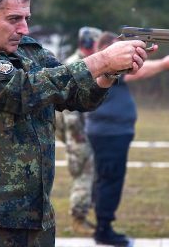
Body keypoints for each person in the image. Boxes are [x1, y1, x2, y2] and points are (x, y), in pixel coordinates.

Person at [0, 0, 151, 247]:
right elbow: (20, 91)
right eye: (14, 19)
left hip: (35, 218)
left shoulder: (29, 51)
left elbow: (76, 95)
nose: (24, 28)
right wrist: (100, 60)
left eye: (26, 18)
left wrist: (110, 73)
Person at [86, 31, 169, 246]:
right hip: (109, 133)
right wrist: (165, 64)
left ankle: (102, 225)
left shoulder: (109, 70)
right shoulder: (106, 67)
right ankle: (104, 229)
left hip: (112, 132)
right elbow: (138, 73)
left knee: (106, 179)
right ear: (106, 49)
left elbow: (135, 70)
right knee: (110, 180)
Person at [56, 27, 102, 235]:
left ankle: (81, 216)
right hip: (78, 132)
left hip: (82, 130)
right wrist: (77, 135)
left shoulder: (85, 61)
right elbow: (69, 107)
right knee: (83, 174)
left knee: (88, 173)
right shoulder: (77, 64)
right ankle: (77, 219)